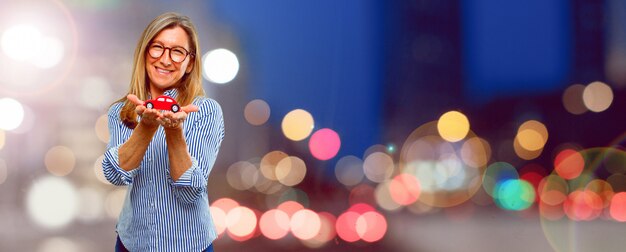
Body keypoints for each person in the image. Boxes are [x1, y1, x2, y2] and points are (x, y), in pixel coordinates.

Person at [102, 12, 224, 252]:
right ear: (145, 53)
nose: (166, 60)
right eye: (158, 47)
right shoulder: (122, 111)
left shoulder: (205, 110)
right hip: (132, 243)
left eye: (178, 51)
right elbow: (115, 174)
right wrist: (146, 128)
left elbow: (191, 192)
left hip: (190, 245)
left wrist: (174, 132)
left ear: (190, 63)